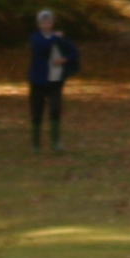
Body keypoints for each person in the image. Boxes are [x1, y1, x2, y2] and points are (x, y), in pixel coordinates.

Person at [26, 8, 79, 152]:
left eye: (48, 22)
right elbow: (40, 47)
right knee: (37, 111)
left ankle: (56, 142)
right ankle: (36, 144)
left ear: (52, 23)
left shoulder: (60, 40)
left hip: (55, 81)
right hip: (38, 80)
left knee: (55, 109)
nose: (46, 25)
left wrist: (65, 59)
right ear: (39, 25)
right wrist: (55, 37)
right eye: (43, 23)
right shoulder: (36, 37)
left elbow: (74, 53)